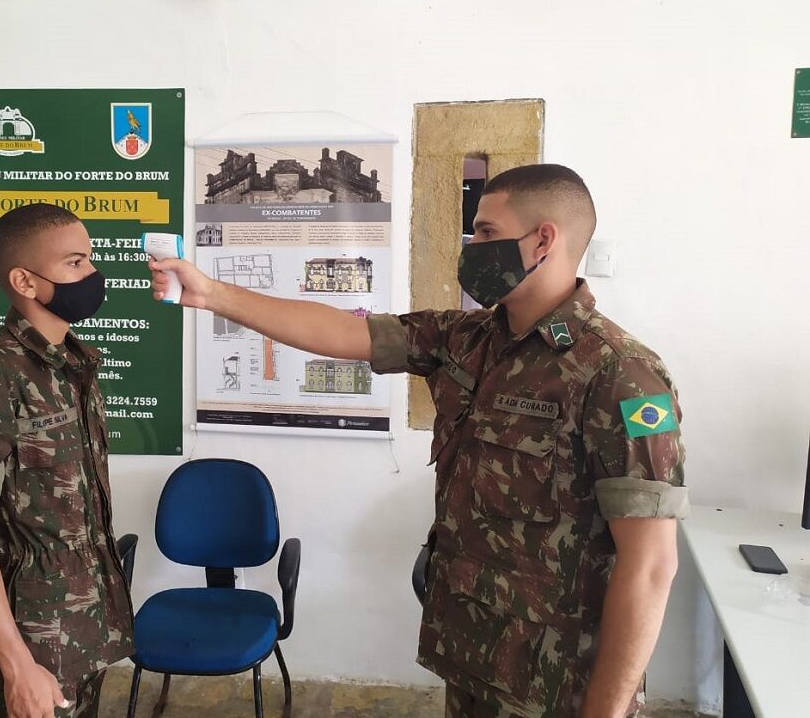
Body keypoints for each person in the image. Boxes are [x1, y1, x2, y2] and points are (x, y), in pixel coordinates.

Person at [148, 164, 687, 718]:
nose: (472, 246)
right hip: (475, 652)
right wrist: (212, 295)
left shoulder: (620, 374)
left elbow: (650, 565)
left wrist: (606, 711)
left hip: (560, 683)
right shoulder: (466, 338)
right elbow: (343, 331)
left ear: (543, 239)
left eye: (486, 232)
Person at [0, 203, 133, 718]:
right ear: (24, 280)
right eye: (75, 263)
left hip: (88, 622)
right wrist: (17, 666)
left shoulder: (73, 364)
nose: (92, 275)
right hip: (32, 637)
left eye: (90, 260)